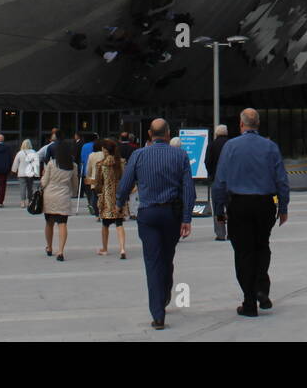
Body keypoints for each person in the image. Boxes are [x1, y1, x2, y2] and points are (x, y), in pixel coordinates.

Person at [117, 119, 194, 330]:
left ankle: (158, 313)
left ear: (150, 133)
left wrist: (118, 202)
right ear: (168, 134)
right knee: (167, 257)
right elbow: (188, 188)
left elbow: (125, 183)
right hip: (171, 213)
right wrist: (187, 217)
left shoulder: (139, 155)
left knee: (152, 261)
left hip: (148, 213)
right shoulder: (180, 155)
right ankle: (166, 292)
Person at [213, 109, 291, 318]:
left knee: (243, 252)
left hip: (239, 204)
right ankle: (261, 287)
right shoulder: (270, 147)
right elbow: (282, 180)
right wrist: (283, 207)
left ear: (241, 125)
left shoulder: (230, 147)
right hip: (265, 204)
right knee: (262, 245)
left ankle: (249, 300)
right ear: (258, 124)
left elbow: (219, 181)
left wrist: (219, 211)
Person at [40, 138, 79, 261]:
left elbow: (44, 181)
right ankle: (61, 251)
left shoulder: (52, 164)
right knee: (62, 224)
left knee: (49, 223)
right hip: (63, 196)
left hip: (50, 196)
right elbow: (75, 184)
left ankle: (49, 247)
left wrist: (42, 185)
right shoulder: (73, 166)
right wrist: (73, 192)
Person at [94, 139, 127, 259]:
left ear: (106, 150)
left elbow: (98, 182)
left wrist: (98, 190)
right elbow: (125, 179)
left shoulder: (101, 164)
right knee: (119, 223)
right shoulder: (121, 162)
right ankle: (122, 249)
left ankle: (105, 248)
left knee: (105, 224)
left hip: (107, 196)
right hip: (119, 196)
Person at [206, 124, 231, 240]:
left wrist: (212, 174)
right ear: (226, 133)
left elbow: (207, 162)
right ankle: (232, 232)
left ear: (216, 133)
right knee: (231, 208)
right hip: (231, 182)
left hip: (217, 181)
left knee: (218, 208)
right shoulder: (231, 144)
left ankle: (221, 234)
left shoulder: (211, 145)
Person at [11, 139, 39, 207]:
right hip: (30, 173)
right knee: (30, 188)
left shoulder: (20, 153)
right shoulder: (34, 152)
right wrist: (37, 173)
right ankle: (30, 201)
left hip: (21, 173)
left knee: (22, 188)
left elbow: (15, 163)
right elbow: (36, 164)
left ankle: (22, 202)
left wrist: (13, 171)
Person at [84, 137, 105, 220]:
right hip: (104, 178)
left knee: (95, 197)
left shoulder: (91, 155)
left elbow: (88, 168)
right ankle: (103, 212)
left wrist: (88, 176)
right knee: (103, 196)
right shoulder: (105, 154)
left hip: (94, 178)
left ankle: (97, 214)